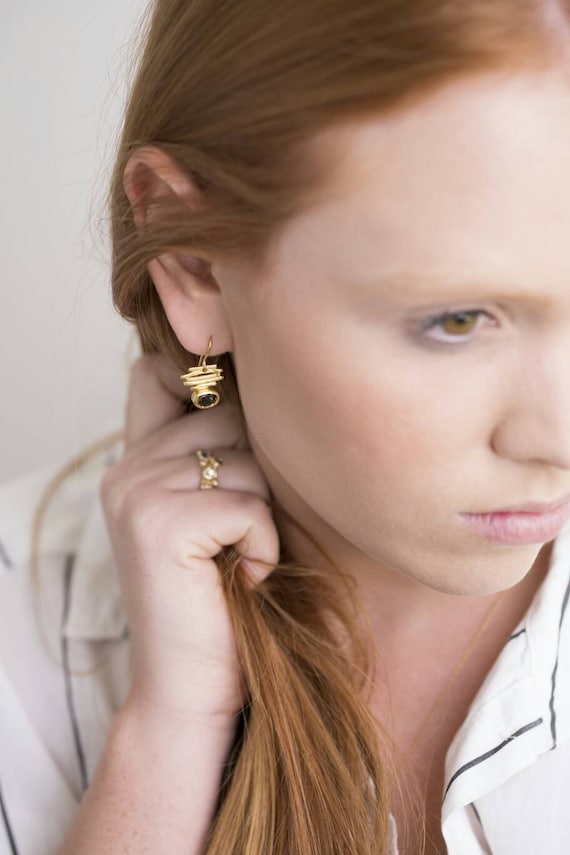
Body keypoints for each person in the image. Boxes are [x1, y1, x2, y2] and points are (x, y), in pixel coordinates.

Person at [2, 0, 570, 852]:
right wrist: (167, 736)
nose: (558, 439)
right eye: (456, 320)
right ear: (193, 264)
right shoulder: (21, 626)